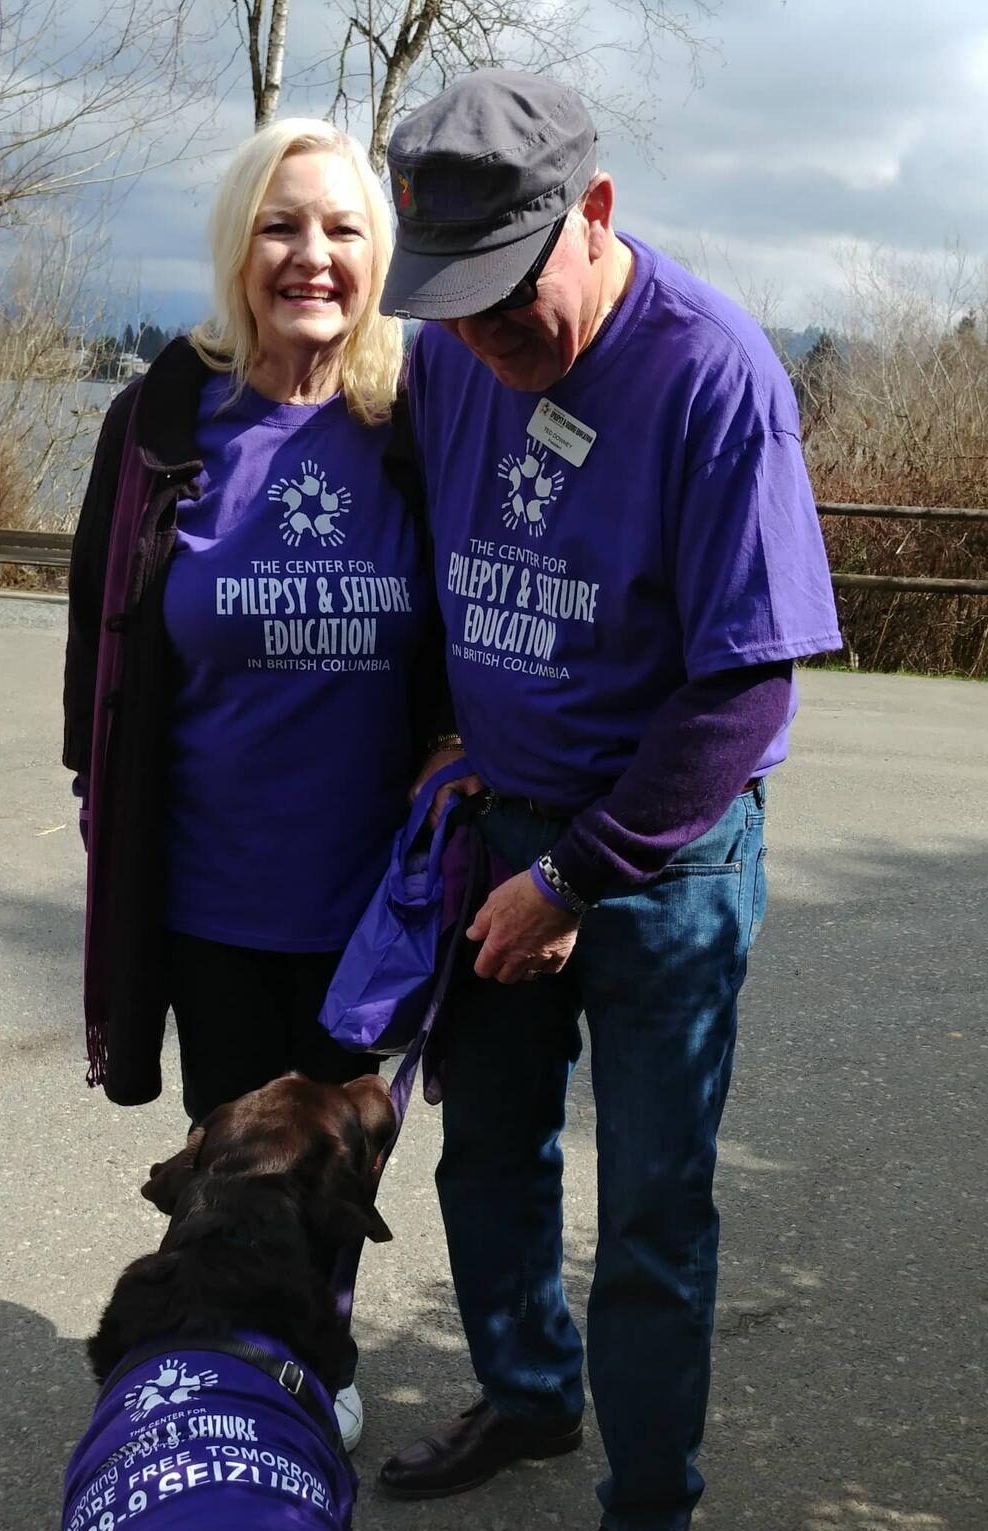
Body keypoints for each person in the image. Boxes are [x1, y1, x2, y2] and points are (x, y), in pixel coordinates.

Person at [373, 71, 842, 1529]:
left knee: (651, 1210)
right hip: (501, 824)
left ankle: (652, 1500)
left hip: (665, 863)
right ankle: (525, 1396)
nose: (489, 339)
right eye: (454, 302)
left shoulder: (713, 373)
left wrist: (577, 877)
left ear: (596, 213)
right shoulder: (455, 351)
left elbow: (746, 689)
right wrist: (447, 745)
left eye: (512, 296)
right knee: (488, 1155)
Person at [62, 118, 452, 1450]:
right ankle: (223, 1391)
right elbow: (97, 637)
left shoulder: (413, 418)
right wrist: (92, 786)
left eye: (344, 230)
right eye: (284, 226)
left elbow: (467, 628)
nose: (314, 256)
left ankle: (317, 1368)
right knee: (233, 1178)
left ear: (378, 253)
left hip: (373, 904)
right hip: (213, 895)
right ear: (241, 244)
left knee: (337, 1183)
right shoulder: (163, 419)